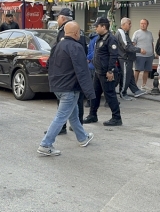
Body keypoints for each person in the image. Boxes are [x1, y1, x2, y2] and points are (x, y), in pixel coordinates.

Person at [38, 21, 95, 156]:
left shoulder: (57, 45)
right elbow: (82, 70)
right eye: (79, 32)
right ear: (76, 33)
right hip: (69, 88)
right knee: (61, 116)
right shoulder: (76, 47)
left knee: (73, 115)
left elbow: (49, 65)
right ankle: (45, 144)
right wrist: (89, 91)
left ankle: (82, 138)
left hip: (58, 86)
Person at [84, 17, 122, 126]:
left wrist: (110, 71)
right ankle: (92, 115)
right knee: (94, 94)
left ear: (104, 27)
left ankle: (116, 117)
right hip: (98, 71)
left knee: (110, 94)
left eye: (97, 26)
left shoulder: (111, 39)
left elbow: (113, 55)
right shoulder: (99, 38)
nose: (95, 28)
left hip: (106, 72)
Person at [116, 17, 147, 100]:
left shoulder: (124, 33)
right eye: (129, 24)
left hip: (128, 58)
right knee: (125, 76)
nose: (131, 25)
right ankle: (123, 93)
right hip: (124, 59)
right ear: (124, 24)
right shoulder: (121, 33)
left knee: (130, 76)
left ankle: (135, 90)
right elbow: (126, 47)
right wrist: (139, 50)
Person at [132, 19, 154, 90]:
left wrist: (153, 53)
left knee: (146, 70)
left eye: (144, 23)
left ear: (147, 24)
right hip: (139, 55)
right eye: (141, 23)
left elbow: (151, 43)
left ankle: (144, 85)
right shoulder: (136, 33)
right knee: (137, 70)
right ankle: (134, 85)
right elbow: (133, 44)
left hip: (149, 55)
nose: (143, 25)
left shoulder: (150, 33)